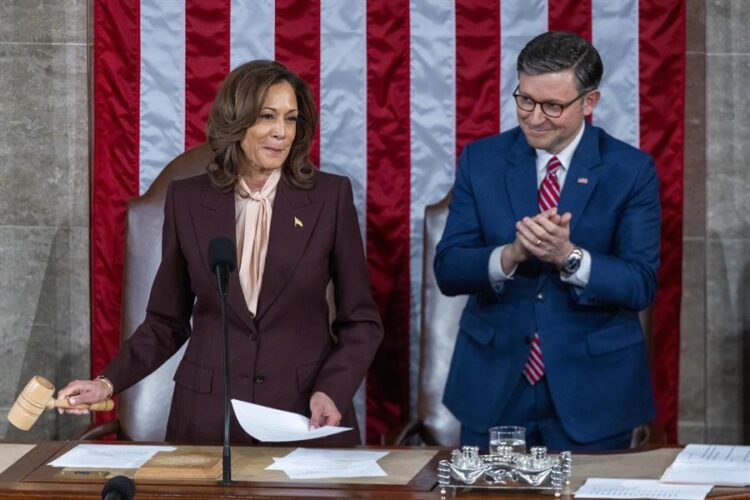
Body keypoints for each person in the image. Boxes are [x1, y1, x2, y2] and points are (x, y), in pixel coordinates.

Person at [58, 60, 383, 446]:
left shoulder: (329, 198)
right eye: (267, 116)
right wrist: (107, 383)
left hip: (303, 418)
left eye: (291, 119)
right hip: (208, 421)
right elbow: (166, 321)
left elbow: (360, 322)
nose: (281, 132)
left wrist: (332, 389)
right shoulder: (189, 201)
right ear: (236, 120)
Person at [434, 31, 660, 452]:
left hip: (594, 392)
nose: (535, 117)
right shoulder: (481, 160)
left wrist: (569, 257)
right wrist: (510, 255)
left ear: (588, 103)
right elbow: (448, 269)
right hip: (494, 387)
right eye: (525, 100)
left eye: (553, 106)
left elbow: (640, 283)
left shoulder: (630, 170)